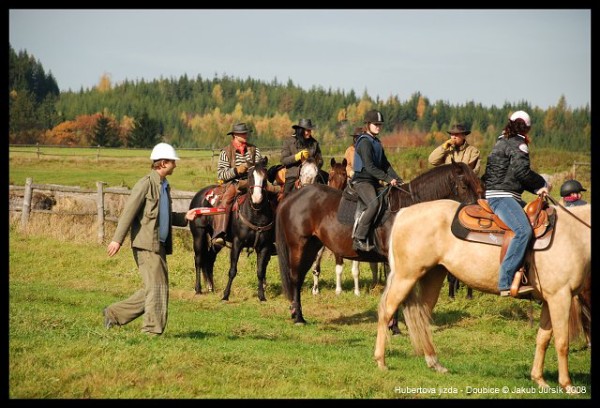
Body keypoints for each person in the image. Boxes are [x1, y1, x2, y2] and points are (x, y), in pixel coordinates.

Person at [103, 142, 200, 336]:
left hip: (159, 245)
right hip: (145, 245)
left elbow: (163, 216)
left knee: (155, 288)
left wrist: (184, 217)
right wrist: (117, 240)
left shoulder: (164, 186)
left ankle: (114, 313)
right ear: (163, 163)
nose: (176, 165)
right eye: (173, 162)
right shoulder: (145, 184)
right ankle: (151, 331)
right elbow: (128, 213)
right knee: (158, 288)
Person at [482, 110, 550, 298]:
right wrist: (542, 184)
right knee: (523, 231)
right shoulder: (519, 144)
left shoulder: (501, 141)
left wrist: (535, 190)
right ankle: (505, 280)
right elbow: (521, 172)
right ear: (527, 127)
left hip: (502, 193)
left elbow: (511, 175)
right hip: (503, 196)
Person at [211, 122, 280, 248]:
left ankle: (274, 236)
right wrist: (237, 170)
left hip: (255, 182)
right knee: (226, 199)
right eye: (242, 133)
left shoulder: (254, 150)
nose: (245, 135)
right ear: (235, 136)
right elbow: (221, 174)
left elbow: (261, 168)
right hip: (235, 183)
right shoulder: (226, 152)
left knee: (275, 195)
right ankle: (220, 233)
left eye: (245, 133)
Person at [351, 110, 403, 252]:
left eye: (380, 124)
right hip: (362, 181)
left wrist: (397, 178)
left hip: (373, 181)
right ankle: (359, 238)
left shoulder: (376, 142)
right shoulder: (364, 142)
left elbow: (385, 164)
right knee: (373, 204)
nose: (378, 127)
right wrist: (387, 179)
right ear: (368, 125)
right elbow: (369, 167)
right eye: (376, 124)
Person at [280, 118, 324, 195]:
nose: (308, 133)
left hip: (312, 175)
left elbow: (320, 160)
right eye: (306, 130)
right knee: (285, 196)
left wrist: (313, 163)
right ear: (300, 130)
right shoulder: (288, 141)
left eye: (309, 131)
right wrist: (297, 157)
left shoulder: (314, 143)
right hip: (293, 175)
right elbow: (283, 160)